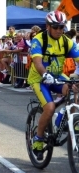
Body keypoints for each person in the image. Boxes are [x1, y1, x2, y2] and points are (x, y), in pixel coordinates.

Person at [27, 11, 79, 161]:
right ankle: (38, 139)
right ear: (48, 26)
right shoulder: (39, 40)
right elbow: (37, 62)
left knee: (74, 88)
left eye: (61, 27)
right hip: (39, 79)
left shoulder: (66, 41)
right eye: (55, 27)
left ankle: (69, 119)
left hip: (57, 77)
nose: (58, 30)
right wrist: (45, 74)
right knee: (49, 108)